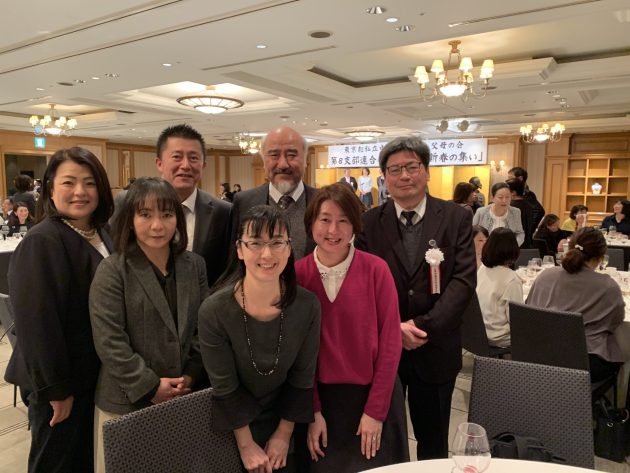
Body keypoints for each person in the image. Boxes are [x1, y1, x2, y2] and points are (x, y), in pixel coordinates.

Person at [356, 136, 476, 460]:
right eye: (395, 169)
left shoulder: (456, 217)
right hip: (384, 351)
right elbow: (362, 286)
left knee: (433, 441)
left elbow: (463, 282)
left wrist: (419, 327)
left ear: (426, 171)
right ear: (384, 177)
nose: (404, 175)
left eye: (412, 166)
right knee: (384, 438)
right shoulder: (368, 222)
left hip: (435, 348)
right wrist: (393, 329)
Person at [4, 147, 114, 473]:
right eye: (69, 182)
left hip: (93, 375)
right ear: (51, 189)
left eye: (89, 183)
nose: (80, 191)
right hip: (60, 382)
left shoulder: (103, 232)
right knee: (56, 463)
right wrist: (56, 389)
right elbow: (36, 324)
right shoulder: (43, 240)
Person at [89, 177, 209, 472]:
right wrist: (150, 386)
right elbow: (109, 341)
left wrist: (191, 374)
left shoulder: (194, 265)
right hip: (127, 402)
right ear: (130, 220)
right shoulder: (113, 270)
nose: (157, 225)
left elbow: (204, 327)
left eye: (167, 215)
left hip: (183, 396)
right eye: (145, 214)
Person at [199, 205, 320, 473]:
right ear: (240, 250)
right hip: (231, 425)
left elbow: (302, 376)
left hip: (287, 418)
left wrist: (284, 435)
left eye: (276, 242)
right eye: (255, 243)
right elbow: (224, 385)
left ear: (289, 248)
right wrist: (245, 444)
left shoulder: (307, 306)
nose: (267, 254)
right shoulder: (214, 310)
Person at [296, 183, 408, 471]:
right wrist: (312, 410)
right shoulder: (297, 275)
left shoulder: (376, 270)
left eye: (343, 220)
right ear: (311, 223)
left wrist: (375, 412)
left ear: (355, 226)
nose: (333, 230)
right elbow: (297, 355)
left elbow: (391, 344)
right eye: (325, 219)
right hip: (320, 402)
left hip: (373, 397)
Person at [526, 227, 624, 382]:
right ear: (600, 257)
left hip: (541, 356)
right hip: (584, 363)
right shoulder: (608, 286)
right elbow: (615, 321)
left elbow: (529, 311)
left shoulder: (546, 275)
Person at [231, 127, 318, 260]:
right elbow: (233, 259)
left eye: (292, 155)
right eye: (274, 155)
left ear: (305, 160)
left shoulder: (322, 202)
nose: (283, 164)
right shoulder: (244, 202)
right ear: (263, 161)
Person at [476, 228, 523, 348]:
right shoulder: (511, 279)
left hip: (479, 331)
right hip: (498, 337)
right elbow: (517, 321)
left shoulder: (483, 269)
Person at [473, 182, 525, 247]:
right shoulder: (481, 212)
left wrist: (513, 246)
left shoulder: (516, 212)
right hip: (484, 250)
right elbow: (472, 233)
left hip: (507, 251)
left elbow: (520, 233)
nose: (504, 200)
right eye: (500, 197)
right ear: (493, 198)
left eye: (507, 197)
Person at [507, 179, 534, 248]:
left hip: (513, 244)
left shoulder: (511, 207)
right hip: (527, 243)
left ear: (513, 192)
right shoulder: (528, 205)